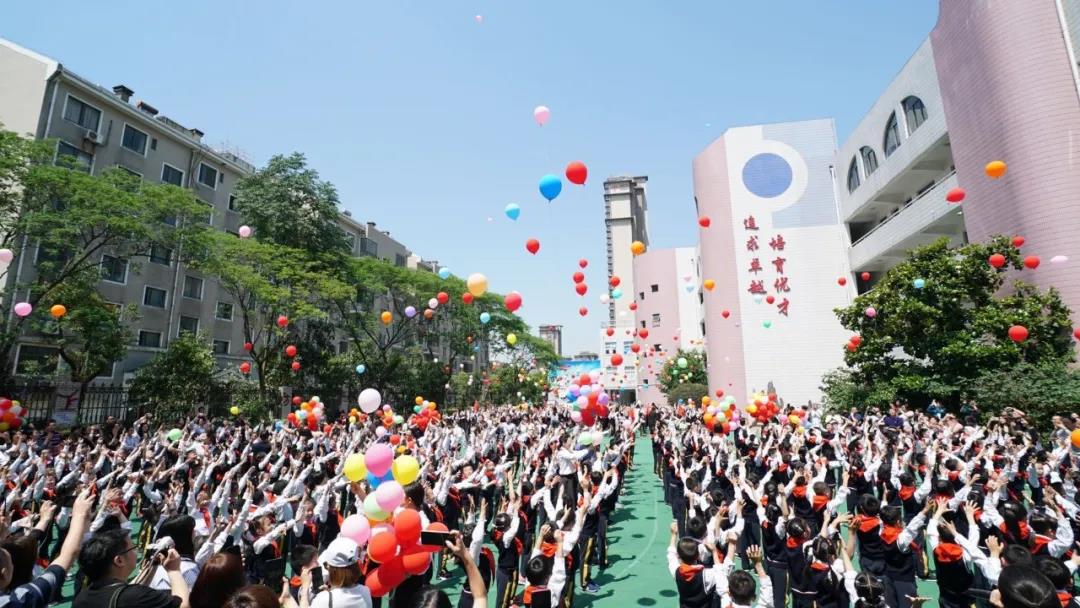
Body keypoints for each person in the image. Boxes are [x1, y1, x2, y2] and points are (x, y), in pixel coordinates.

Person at [0, 489, 93, 608]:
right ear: (4, 574)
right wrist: (80, 515)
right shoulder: (22, 599)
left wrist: (44, 520)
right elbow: (66, 556)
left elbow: (31, 539)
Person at [72, 528, 191, 608]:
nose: (136, 552)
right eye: (133, 548)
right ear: (119, 560)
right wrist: (174, 570)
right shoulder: (136, 596)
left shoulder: (81, 598)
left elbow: (130, 588)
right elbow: (183, 605)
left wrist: (153, 565)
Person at [310, 537, 371, 608]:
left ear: (335, 571)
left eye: (327, 566)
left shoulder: (324, 600)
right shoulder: (366, 592)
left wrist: (305, 588)